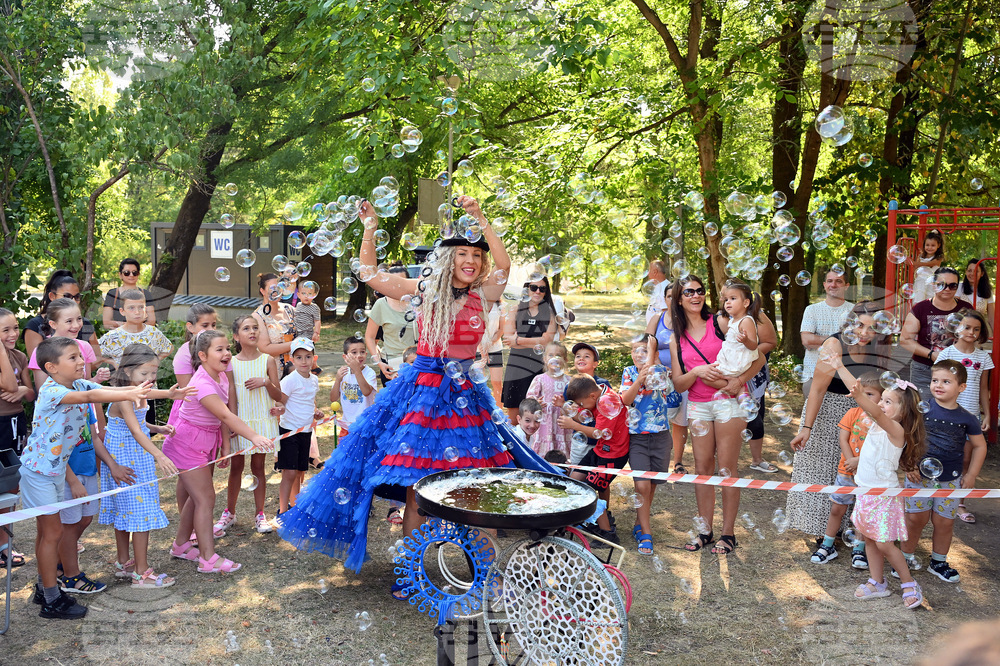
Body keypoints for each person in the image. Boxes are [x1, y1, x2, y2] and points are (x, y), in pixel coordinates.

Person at [279, 196, 549, 587]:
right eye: (463, 253)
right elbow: (369, 273)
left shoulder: (484, 293)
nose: (471, 260)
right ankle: (412, 574)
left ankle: (484, 572)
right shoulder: (424, 290)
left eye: (477, 254)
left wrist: (479, 218)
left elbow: (505, 265)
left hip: (465, 394)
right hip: (422, 391)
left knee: (477, 483)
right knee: (416, 487)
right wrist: (370, 227)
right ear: (449, 257)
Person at [20, 337, 150, 619]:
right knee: (53, 532)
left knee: (46, 532)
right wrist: (132, 394)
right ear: (51, 367)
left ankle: (45, 588)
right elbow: (94, 397)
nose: (81, 361)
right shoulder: (52, 390)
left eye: (80, 356)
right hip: (39, 473)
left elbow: (119, 389)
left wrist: (168, 395)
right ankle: (52, 600)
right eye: (73, 358)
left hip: (54, 471)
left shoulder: (78, 383)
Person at [162, 330, 273, 574]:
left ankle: (181, 545)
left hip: (204, 440)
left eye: (227, 348)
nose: (226, 353)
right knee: (205, 498)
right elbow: (225, 414)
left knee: (197, 497)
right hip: (186, 443)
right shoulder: (201, 383)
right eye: (219, 349)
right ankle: (208, 558)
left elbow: (219, 416)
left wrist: (224, 444)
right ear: (202, 355)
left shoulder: (220, 376)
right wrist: (254, 436)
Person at [788, 301, 890, 537]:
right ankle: (822, 533)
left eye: (872, 328)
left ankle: (853, 530)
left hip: (860, 414)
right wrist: (806, 427)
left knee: (855, 469)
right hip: (828, 411)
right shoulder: (834, 343)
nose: (864, 333)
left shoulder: (879, 347)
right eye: (859, 326)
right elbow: (817, 390)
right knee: (823, 470)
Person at [667, 275, 746, 555]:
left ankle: (728, 534)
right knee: (702, 470)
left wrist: (740, 381)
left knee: (726, 469)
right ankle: (706, 531)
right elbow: (678, 383)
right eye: (689, 292)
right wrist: (696, 372)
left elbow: (759, 353)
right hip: (699, 405)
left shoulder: (721, 323)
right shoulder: (676, 337)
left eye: (700, 291)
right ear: (679, 298)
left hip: (728, 403)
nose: (695, 296)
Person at [98, 344, 181, 588]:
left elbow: (140, 423)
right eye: (144, 374)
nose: (150, 379)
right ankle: (140, 573)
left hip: (136, 456)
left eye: (153, 373)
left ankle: (124, 562)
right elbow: (134, 430)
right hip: (127, 461)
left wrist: (158, 427)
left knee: (126, 511)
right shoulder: (123, 394)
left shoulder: (138, 390)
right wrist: (159, 455)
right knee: (138, 513)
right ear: (127, 370)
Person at [900, 360, 987, 583]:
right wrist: (908, 465)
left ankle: (938, 562)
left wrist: (971, 474)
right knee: (914, 520)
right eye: (935, 380)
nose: (938, 385)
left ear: (962, 387)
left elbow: (979, 446)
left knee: (945, 522)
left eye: (946, 381)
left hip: (950, 481)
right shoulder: (923, 409)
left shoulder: (967, 418)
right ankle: (905, 557)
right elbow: (905, 437)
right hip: (918, 477)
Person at [848, 378, 926, 609]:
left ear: (904, 413)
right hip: (865, 492)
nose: (881, 404)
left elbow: (878, 415)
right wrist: (839, 366)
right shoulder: (876, 426)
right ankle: (877, 582)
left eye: (888, 401)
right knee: (869, 539)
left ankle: (909, 584)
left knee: (884, 544)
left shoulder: (896, 429)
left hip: (884, 497)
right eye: (881, 399)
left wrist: (860, 396)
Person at [809, 372, 882, 568]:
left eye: (870, 395)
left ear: (882, 398)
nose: (864, 399)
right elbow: (843, 438)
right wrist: (851, 459)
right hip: (846, 471)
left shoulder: (883, 420)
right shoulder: (852, 413)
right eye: (862, 394)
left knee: (862, 513)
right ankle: (828, 544)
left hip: (869, 475)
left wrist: (860, 461)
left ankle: (859, 549)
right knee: (837, 509)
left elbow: (880, 446)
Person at [219, 316, 282, 535]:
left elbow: (278, 395)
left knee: (258, 468)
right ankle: (230, 513)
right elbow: (231, 393)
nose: (253, 331)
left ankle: (260, 514)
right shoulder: (231, 362)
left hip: (262, 421)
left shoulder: (267, 360)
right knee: (236, 467)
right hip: (240, 421)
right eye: (246, 329)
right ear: (236, 336)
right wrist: (232, 421)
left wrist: (266, 382)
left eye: (255, 328)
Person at [936, 310, 992, 523]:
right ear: (957, 328)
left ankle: (959, 503)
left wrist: (986, 414)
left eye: (976, 329)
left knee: (966, 458)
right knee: (945, 456)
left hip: (970, 416)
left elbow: (983, 388)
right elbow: (937, 385)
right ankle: (940, 497)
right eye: (967, 327)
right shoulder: (946, 354)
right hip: (947, 415)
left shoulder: (983, 357)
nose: (971, 332)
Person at [560, 375, 629, 544]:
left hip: (613, 456)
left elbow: (599, 432)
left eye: (582, 404)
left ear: (592, 396)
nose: (582, 408)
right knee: (575, 479)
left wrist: (573, 425)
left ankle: (607, 533)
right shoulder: (599, 394)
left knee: (589, 491)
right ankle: (589, 519)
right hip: (600, 450)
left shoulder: (607, 402)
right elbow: (588, 418)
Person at [621, 334, 670, 556]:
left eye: (644, 350)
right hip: (638, 437)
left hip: (661, 437)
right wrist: (638, 379)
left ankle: (640, 523)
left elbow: (657, 384)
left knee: (651, 485)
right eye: (635, 351)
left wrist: (651, 359)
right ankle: (646, 534)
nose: (638, 355)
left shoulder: (661, 370)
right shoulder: (629, 372)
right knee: (641, 485)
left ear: (654, 354)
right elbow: (626, 400)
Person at [900, 266, 973, 402]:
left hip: (958, 368)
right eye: (941, 285)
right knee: (924, 413)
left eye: (952, 286)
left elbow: (975, 335)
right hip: (925, 369)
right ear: (933, 285)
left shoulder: (966, 308)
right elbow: (905, 340)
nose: (947, 289)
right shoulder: (921, 308)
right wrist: (931, 354)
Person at [276, 338, 324, 518]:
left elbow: (309, 402)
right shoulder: (289, 380)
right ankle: (282, 511)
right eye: (299, 358)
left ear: (314, 358)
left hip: (306, 431)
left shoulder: (314, 380)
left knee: (299, 472)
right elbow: (281, 401)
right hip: (289, 431)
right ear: (292, 359)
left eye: (308, 357)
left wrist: (315, 413)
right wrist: (279, 409)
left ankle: (295, 506)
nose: (304, 361)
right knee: (288, 472)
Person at [0, 308, 33, 568]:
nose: (13, 334)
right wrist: (17, 387)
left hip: (16, 423)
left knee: (12, 484)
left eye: (15, 328)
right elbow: (9, 386)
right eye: (5, 330)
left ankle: (5, 543)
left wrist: (23, 388)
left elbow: (29, 393)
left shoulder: (20, 356)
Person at [501, 276, 557, 422]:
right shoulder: (515, 310)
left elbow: (546, 341)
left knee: (535, 418)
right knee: (514, 417)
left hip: (538, 369)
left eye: (542, 289)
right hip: (516, 368)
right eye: (533, 288)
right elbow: (508, 339)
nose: (537, 291)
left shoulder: (549, 314)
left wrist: (518, 340)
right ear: (527, 290)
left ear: (546, 292)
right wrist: (534, 341)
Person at [645, 300, 688, 473]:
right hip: (658, 376)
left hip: (682, 376)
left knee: (680, 421)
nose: (672, 299)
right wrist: (659, 366)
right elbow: (647, 344)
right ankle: (655, 459)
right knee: (657, 417)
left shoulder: (687, 318)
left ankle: (677, 461)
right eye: (668, 295)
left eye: (674, 295)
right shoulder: (658, 317)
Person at [28, 298, 110, 387]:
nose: (76, 325)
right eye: (69, 321)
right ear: (53, 324)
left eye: (79, 319)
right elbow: (42, 390)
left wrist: (97, 379)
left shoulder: (85, 346)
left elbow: (86, 382)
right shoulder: (41, 351)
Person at [23, 270, 99, 360]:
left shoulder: (85, 323)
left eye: (77, 297)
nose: (73, 301)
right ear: (52, 296)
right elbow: (38, 362)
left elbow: (97, 357)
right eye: (67, 296)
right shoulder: (35, 326)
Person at [799, 269, 853, 393]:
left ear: (846, 286)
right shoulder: (811, 310)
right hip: (813, 375)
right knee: (812, 412)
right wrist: (839, 340)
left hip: (845, 377)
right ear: (824, 285)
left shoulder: (854, 311)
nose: (833, 285)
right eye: (829, 281)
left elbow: (857, 343)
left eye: (838, 281)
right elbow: (807, 340)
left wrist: (818, 339)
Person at [365, 265, 417, 385]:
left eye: (401, 282)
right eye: (393, 282)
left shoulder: (418, 303)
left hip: (417, 363)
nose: (397, 286)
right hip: (392, 365)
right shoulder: (381, 305)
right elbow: (370, 337)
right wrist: (379, 363)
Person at [98, 289, 173, 366]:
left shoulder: (153, 333)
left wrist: (155, 361)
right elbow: (94, 353)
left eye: (141, 307)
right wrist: (113, 362)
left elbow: (169, 348)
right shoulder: (113, 336)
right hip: (122, 377)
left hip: (149, 377)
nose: (137, 312)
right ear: (122, 311)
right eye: (131, 308)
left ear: (145, 309)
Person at [525, 341, 572, 458]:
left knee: (562, 447)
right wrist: (535, 404)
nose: (554, 358)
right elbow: (530, 397)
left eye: (558, 355)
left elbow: (573, 403)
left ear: (565, 360)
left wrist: (565, 404)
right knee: (543, 447)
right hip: (545, 421)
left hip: (562, 421)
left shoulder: (569, 380)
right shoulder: (539, 379)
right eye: (551, 355)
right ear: (545, 359)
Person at [252, 273, 297, 373]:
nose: (276, 291)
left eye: (279, 287)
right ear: (262, 291)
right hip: (273, 372)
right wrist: (296, 344)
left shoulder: (290, 309)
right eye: (272, 288)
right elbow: (265, 348)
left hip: (296, 369)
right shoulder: (257, 316)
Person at [332, 335, 377, 438]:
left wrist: (357, 370)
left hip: (364, 425)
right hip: (346, 425)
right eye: (354, 352)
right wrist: (338, 379)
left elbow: (366, 392)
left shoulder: (369, 373)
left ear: (366, 354)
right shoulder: (343, 373)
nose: (359, 355)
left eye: (362, 352)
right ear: (345, 357)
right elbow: (333, 398)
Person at [715, 280, 760, 377]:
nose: (727, 302)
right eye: (726, 299)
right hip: (730, 360)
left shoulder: (746, 321)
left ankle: (739, 388)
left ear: (746, 302)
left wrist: (746, 340)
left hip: (738, 364)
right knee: (709, 375)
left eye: (733, 298)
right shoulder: (733, 320)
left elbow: (753, 346)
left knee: (708, 377)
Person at [102, 258, 157, 330]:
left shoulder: (146, 294)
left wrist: (120, 324)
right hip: (119, 338)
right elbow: (106, 323)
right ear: (120, 275)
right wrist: (133, 326)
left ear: (138, 274)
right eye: (127, 272)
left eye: (134, 272)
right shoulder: (113, 294)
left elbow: (152, 322)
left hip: (142, 337)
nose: (131, 275)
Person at [293, 281, 322, 374]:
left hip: (308, 334)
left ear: (314, 295)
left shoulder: (314, 307)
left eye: (309, 294)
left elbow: (317, 321)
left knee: (309, 351)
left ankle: (314, 367)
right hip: (297, 333)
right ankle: (298, 368)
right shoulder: (298, 305)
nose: (306, 296)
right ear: (298, 295)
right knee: (298, 352)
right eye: (303, 293)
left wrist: (316, 333)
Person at [911, 230, 944, 303]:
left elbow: (929, 264)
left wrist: (914, 263)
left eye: (933, 245)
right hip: (920, 283)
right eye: (927, 245)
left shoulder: (938, 257)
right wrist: (914, 265)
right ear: (924, 245)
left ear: (938, 245)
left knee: (930, 301)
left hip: (931, 284)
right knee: (918, 301)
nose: (929, 247)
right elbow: (916, 270)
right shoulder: (920, 256)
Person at [957, 258, 994, 323]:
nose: (972, 274)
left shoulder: (987, 290)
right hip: (961, 328)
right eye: (969, 271)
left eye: (976, 271)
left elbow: (992, 318)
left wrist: (995, 332)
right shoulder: (959, 287)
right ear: (966, 272)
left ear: (982, 274)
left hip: (980, 329)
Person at [483, 299, 504, 401]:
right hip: (477, 349)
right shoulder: (475, 303)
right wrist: (481, 347)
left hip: (495, 348)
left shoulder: (500, 306)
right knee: (479, 384)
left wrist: (489, 344)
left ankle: (499, 414)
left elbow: (501, 329)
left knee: (497, 383)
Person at [644, 259, 669, 324]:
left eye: (648, 270)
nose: (647, 273)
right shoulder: (659, 286)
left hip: (658, 330)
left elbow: (666, 313)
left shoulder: (664, 288)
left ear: (655, 272)